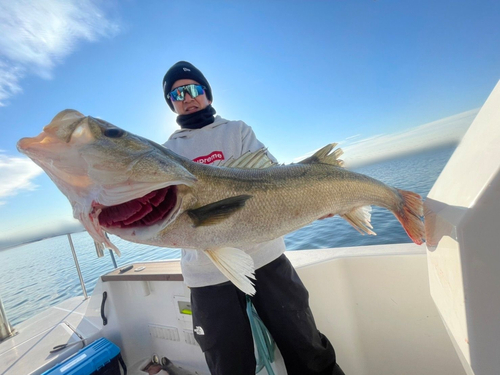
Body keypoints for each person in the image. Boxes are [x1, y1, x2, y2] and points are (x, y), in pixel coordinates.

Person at [162, 61, 344, 375]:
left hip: (265, 256)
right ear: (171, 103)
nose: (187, 97)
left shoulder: (237, 131)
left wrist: (316, 201)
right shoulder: (167, 153)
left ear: (207, 93)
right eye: (177, 94)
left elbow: (274, 182)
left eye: (193, 89)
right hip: (207, 273)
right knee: (228, 365)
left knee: (307, 348)